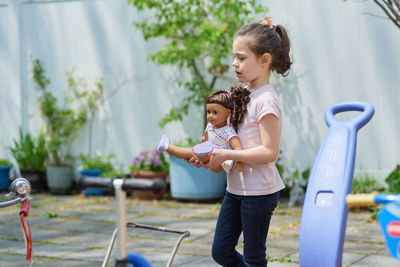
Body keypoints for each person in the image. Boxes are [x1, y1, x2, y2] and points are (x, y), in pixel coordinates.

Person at [188, 17, 292, 266]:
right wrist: (211, 158)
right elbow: (231, 142)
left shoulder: (266, 100)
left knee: (254, 257)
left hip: (259, 193)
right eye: (234, 57)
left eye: (242, 58)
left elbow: (270, 152)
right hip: (235, 190)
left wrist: (229, 156)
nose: (235, 63)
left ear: (264, 60)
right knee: (221, 251)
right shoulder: (243, 97)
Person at [158, 87, 250, 173]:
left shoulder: (228, 131)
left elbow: (237, 148)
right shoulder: (209, 126)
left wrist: (239, 162)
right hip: (209, 156)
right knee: (190, 153)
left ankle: (196, 153)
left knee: (193, 153)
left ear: (228, 113)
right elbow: (205, 139)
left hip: (222, 162)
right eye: (208, 112)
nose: (210, 116)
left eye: (215, 112)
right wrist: (204, 143)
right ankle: (166, 146)